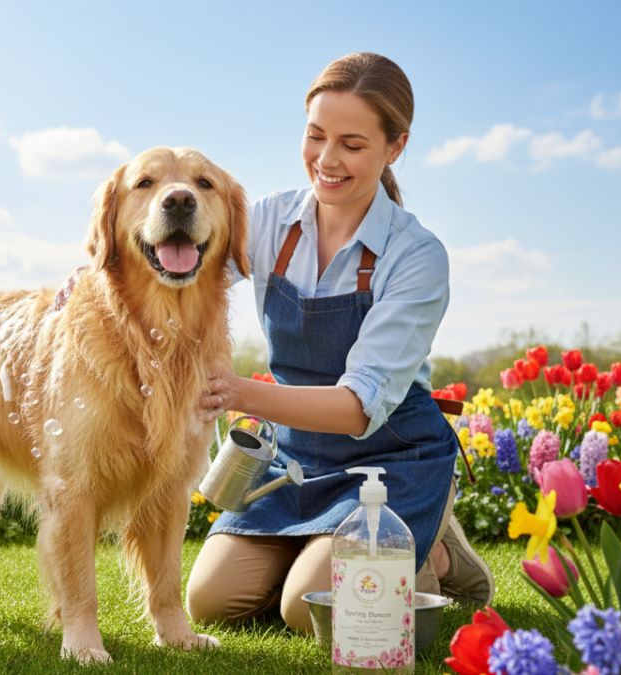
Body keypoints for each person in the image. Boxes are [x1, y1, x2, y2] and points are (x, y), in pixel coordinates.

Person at [185, 52, 494, 636]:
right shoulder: (267, 222)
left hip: (390, 456)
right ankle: (327, 556)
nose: (326, 161)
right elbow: (177, 267)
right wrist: (99, 275)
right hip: (297, 458)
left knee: (311, 610)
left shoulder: (415, 256)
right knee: (209, 601)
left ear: (395, 147)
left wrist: (237, 392)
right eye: (315, 136)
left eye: (352, 145)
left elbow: (357, 409)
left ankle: (434, 555)